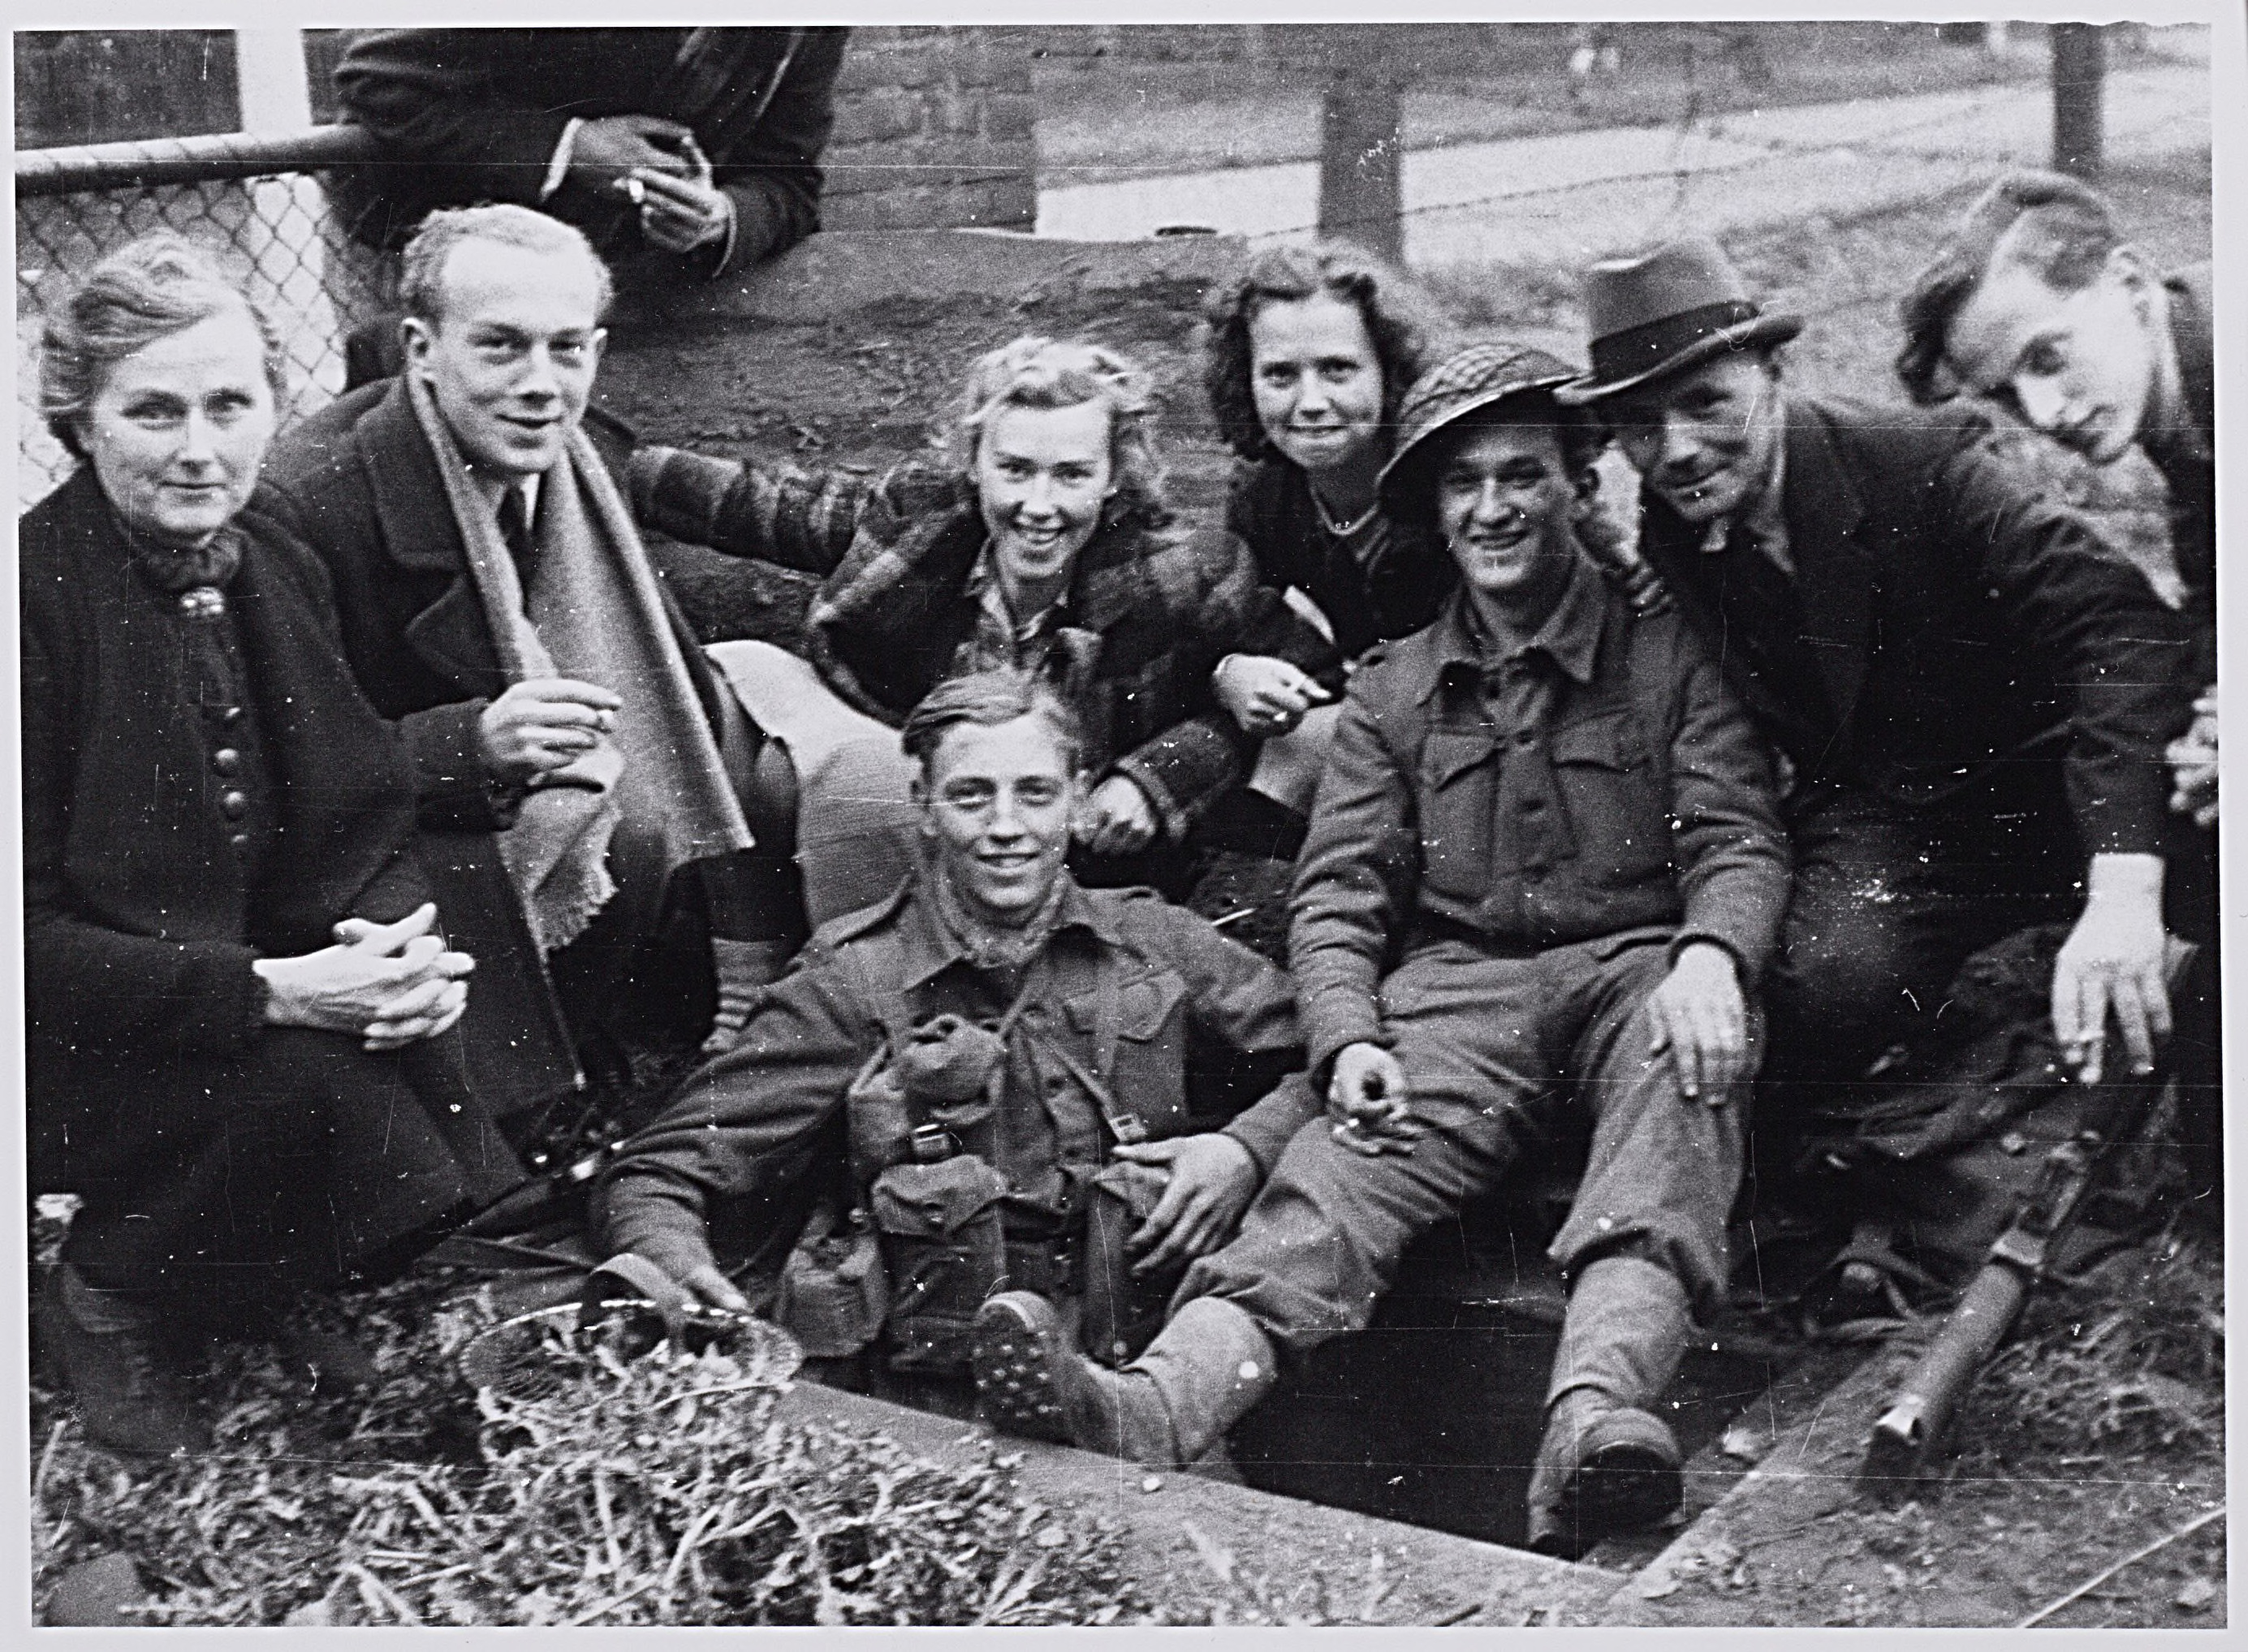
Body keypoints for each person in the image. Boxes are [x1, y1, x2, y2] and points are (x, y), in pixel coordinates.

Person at [964, 344, 1793, 1559]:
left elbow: (1736, 834)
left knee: (1679, 1096)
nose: (1495, 507)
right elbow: (1339, 894)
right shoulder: (1395, 689)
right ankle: (1152, 1404)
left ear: (1576, 486)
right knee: (1334, 1177)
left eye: (1523, 475)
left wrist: (1716, 956)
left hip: (1638, 966)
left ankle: (1592, 1417)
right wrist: (1349, 1030)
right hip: (1457, 990)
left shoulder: (1669, 655)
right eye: (1464, 485)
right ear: (1433, 512)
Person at [24, 234, 524, 1456]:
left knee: (448, 957)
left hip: (233, 974)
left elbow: (358, 809)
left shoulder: (278, 553)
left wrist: (395, 948)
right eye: (153, 411)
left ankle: (250, 1279)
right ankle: (109, 1289)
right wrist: (274, 991)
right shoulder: (25, 600)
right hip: (72, 1028)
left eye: (229, 404)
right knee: (313, 1078)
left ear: (270, 406)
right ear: (78, 423)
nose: (200, 448)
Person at [1553, 236, 2194, 1119]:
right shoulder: (1676, 523)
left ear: (1775, 369)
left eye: (1707, 403)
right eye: (1637, 425)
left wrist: (2125, 880)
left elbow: (2121, 625)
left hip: (2056, 782)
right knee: (1821, 993)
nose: (1677, 451)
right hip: (1896, 821)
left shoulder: (1919, 463)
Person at [593, 671, 1315, 1418]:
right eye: (971, 795)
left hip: (1139, 1377)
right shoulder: (853, 984)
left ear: (1077, 792)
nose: (1006, 826)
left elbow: (1332, 1059)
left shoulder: (1155, 941)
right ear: (924, 805)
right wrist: (680, 1267)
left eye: (1035, 793)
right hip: (940, 1397)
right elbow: (658, 1171)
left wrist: (1243, 1150)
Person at [258, 205, 810, 1158]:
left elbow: (678, 670)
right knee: (594, 822)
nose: (540, 386)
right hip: (349, 853)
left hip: (478, 812)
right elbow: (284, 773)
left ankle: (548, 1096)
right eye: (502, 348)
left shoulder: (576, 460)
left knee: (636, 806)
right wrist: (471, 745)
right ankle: (484, 1140)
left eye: (567, 349)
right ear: (423, 350)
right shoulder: (314, 501)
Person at [629, 334, 1344, 899]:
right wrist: (603, 464)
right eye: (1015, 470)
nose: (1038, 505)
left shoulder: (1181, 568)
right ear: (973, 464)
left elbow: (1305, 677)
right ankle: (776, 975)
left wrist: (1158, 777)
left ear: (1113, 477)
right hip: (912, 804)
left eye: (1071, 475)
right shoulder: (921, 522)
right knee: (765, 717)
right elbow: (767, 507)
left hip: (1067, 848)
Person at [1895, 171, 2219, 1206]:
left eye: (2048, 356)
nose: (2042, 412)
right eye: (2003, 393)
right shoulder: (2189, 412)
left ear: (2125, 279)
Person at [328, 28, 848, 388]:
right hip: (423, 248)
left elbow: (789, 181)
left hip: (605, 288)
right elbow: (375, 78)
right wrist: (571, 146)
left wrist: (717, 216)